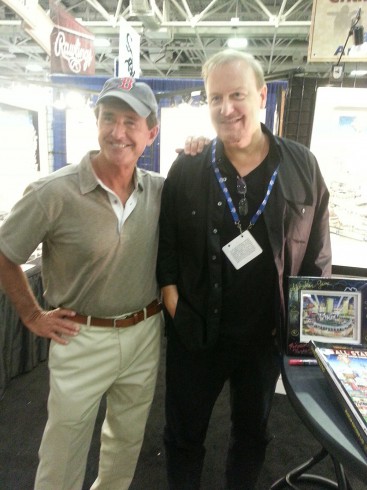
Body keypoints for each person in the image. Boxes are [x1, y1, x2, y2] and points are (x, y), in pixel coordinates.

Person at [157, 49, 332, 490]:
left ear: (261, 95)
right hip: (196, 336)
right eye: (215, 97)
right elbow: (168, 257)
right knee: (183, 438)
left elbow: (317, 259)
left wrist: (302, 334)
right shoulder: (188, 168)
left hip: (264, 341)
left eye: (237, 94)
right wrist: (179, 313)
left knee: (252, 436)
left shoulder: (302, 167)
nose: (226, 108)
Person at [0, 77, 164, 490]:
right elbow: (4, 254)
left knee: (125, 444)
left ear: (151, 132)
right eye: (108, 118)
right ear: (96, 121)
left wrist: (202, 149)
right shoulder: (53, 192)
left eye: (130, 121)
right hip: (81, 337)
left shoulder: (161, 191)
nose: (118, 132)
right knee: (64, 449)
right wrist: (31, 314)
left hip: (144, 333)